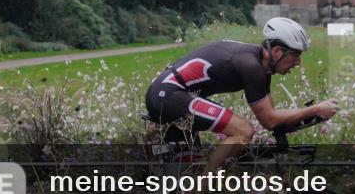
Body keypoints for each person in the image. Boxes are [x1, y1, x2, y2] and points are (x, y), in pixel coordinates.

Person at [144, 17, 340, 181]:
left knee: (195, 173)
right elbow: (270, 119)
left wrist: (305, 117)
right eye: (295, 56)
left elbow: (270, 120)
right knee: (242, 130)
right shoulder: (250, 65)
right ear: (278, 52)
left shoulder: (261, 68)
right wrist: (314, 109)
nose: (298, 63)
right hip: (168, 95)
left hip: (176, 97)